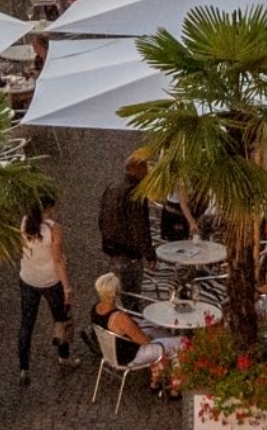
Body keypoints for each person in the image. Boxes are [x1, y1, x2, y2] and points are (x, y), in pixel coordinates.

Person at [16, 194, 75, 385]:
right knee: (61, 319)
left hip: (28, 278)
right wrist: (67, 287)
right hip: (51, 282)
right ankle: (63, 357)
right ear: (47, 209)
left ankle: (24, 368)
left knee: (27, 323)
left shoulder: (25, 223)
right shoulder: (54, 229)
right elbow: (57, 260)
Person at [90, 272, 182, 393]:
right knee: (181, 342)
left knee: (157, 331)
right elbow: (143, 340)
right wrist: (158, 340)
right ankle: (174, 389)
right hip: (130, 355)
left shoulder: (95, 308)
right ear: (116, 293)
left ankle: (157, 381)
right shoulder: (120, 318)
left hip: (111, 352)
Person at [97, 156, 152, 297]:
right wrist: (149, 254)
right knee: (131, 293)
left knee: (112, 288)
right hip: (129, 251)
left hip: (110, 246)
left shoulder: (112, 185)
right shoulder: (136, 193)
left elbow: (102, 216)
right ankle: (129, 316)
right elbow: (139, 227)